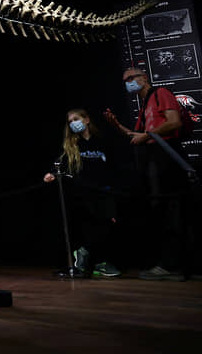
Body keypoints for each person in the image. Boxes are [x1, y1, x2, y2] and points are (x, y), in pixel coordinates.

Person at [104, 67, 188, 281]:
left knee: (171, 210)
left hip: (167, 156)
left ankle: (173, 266)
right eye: (125, 80)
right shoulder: (145, 105)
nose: (128, 82)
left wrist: (148, 135)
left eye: (132, 78)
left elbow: (174, 122)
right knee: (159, 210)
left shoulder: (161, 93)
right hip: (153, 160)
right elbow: (136, 135)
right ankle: (168, 264)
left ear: (144, 77)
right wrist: (117, 126)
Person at [43, 108, 123, 278]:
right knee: (89, 226)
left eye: (76, 119)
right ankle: (86, 260)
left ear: (86, 120)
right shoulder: (72, 145)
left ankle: (93, 258)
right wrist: (51, 173)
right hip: (82, 193)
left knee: (106, 226)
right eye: (70, 121)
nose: (73, 123)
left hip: (104, 192)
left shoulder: (102, 141)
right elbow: (59, 162)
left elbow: (114, 166)